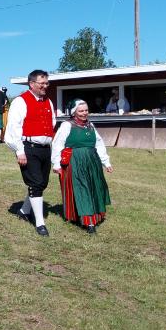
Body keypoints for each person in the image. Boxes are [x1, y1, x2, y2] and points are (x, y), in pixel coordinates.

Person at [5, 69, 56, 236]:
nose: (45, 86)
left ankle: (24, 211)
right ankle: (40, 223)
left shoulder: (48, 102)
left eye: (46, 83)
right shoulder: (20, 101)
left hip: (45, 149)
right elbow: (13, 128)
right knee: (35, 183)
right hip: (29, 148)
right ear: (31, 84)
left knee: (41, 184)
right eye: (42, 83)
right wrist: (19, 151)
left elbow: (52, 124)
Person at [51, 99, 113, 234]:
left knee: (94, 187)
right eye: (81, 111)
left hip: (92, 161)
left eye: (86, 110)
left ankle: (96, 215)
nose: (84, 113)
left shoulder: (90, 125)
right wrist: (56, 164)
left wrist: (106, 162)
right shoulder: (67, 126)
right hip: (75, 162)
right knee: (82, 188)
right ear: (74, 112)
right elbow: (57, 144)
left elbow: (99, 144)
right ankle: (88, 221)